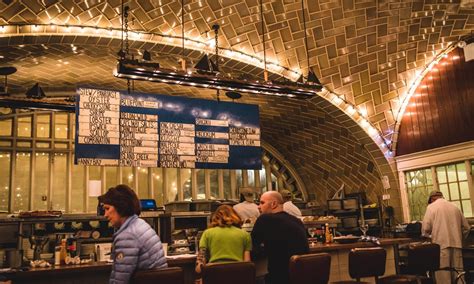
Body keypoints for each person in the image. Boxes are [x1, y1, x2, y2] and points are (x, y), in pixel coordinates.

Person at [98, 184, 167, 284]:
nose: (105, 215)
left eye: (107, 209)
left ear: (121, 207)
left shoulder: (128, 235)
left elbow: (120, 280)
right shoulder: (140, 224)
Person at [251, 191, 309, 284]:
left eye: (262, 203)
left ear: (273, 204)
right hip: (302, 277)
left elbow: (252, 245)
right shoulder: (296, 220)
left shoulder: (264, 219)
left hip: (279, 277)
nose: (258, 206)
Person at [422, 190, 470, 283]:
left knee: (443, 277)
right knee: (459, 276)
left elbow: (425, 229)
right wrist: (459, 239)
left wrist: (430, 236)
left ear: (432, 199)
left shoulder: (431, 207)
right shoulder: (455, 206)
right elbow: (467, 228)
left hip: (440, 247)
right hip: (457, 246)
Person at [195, 205, 252, 274]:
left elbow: (199, 267)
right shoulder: (245, 235)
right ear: (235, 216)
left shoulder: (207, 233)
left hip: (215, 276)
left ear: (215, 217)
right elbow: (247, 264)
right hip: (238, 275)